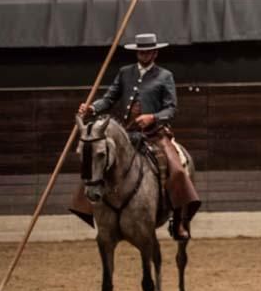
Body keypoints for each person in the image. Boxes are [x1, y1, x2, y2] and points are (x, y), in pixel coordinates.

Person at [74, 33, 200, 240]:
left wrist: (153, 117)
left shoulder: (165, 76)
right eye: (141, 51)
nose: (144, 54)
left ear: (155, 52)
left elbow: (171, 109)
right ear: (137, 53)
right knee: (96, 157)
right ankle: (92, 209)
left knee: (178, 168)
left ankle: (178, 221)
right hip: (126, 134)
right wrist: (91, 108)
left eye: (148, 51)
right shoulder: (125, 73)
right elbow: (109, 98)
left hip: (155, 134)